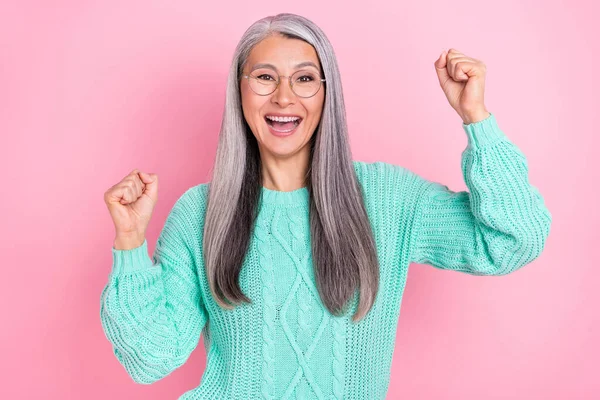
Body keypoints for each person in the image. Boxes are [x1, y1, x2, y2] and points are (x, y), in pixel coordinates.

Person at [100, 13, 552, 400]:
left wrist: (477, 119)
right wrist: (129, 241)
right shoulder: (201, 213)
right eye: (264, 77)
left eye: (303, 78)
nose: (283, 97)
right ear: (239, 91)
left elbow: (514, 240)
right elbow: (151, 358)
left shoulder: (387, 199)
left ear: (326, 92)